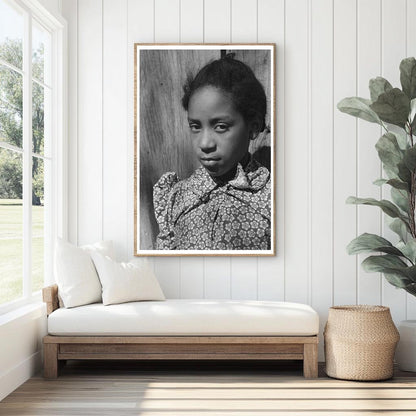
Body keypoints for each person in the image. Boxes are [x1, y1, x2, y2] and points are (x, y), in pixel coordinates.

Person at [153, 54, 271, 250]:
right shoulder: (178, 196)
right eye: (195, 126)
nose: (205, 143)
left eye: (221, 126)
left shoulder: (271, 200)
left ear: (253, 127)